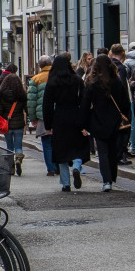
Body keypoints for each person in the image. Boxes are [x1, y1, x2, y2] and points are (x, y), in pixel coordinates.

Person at [82, 54, 132, 192]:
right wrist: (125, 115)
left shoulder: (92, 83)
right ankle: (112, 176)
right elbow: (125, 102)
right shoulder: (116, 81)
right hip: (115, 121)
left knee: (102, 152)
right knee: (112, 150)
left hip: (98, 120)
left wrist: (84, 123)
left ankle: (106, 180)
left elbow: (86, 105)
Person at [42, 53, 90, 192]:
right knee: (78, 146)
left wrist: (48, 125)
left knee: (62, 150)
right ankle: (76, 166)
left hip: (60, 117)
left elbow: (47, 105)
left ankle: (65, 183)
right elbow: (84, 99)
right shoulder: (76, 79)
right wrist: (84, 119)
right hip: (75, 114)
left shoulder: (52, 82)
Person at [0, 65, 28, 176]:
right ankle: (18, 159)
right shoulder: (22, 94)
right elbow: (26, 108)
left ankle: (11, 167)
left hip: (6, 124)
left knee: (9, 146)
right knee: (18, 145)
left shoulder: (2, 94)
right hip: (18, 124)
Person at [26, 55, 56, 176]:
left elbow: (31, 101)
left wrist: (32, 118)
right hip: (57, 114)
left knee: (47, 143)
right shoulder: (56, 77)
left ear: (39, 65)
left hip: (42, 115)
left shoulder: (35, 79)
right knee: (57, 141)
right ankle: (59, 164)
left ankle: (51, 168)